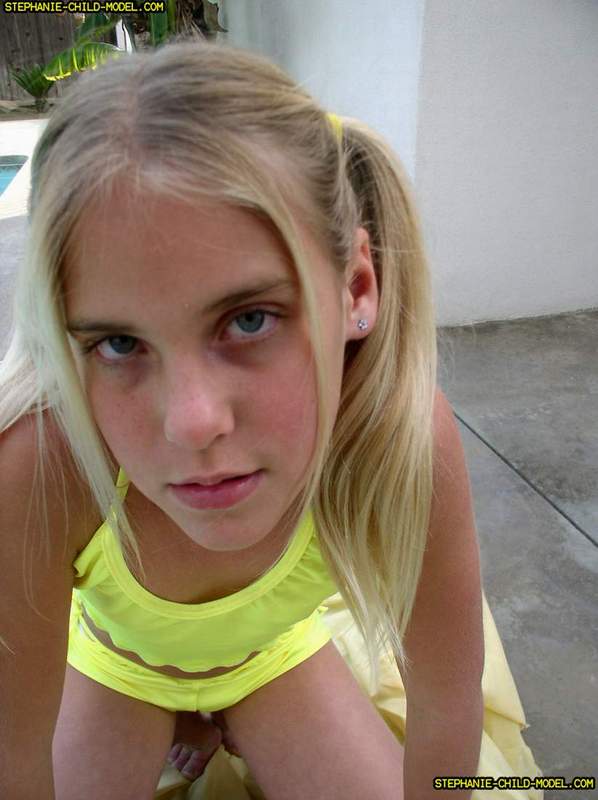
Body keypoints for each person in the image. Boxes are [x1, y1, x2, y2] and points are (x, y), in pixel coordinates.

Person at [0, 40, 544, 800]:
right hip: (119, 667)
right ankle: (186, 718)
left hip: (271, 656)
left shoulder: (397, 432)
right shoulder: (40, 466)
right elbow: (14, 759)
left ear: (356, 288)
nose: (193, 423)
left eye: (250, 319)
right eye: (118, 343)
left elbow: (447, 701)